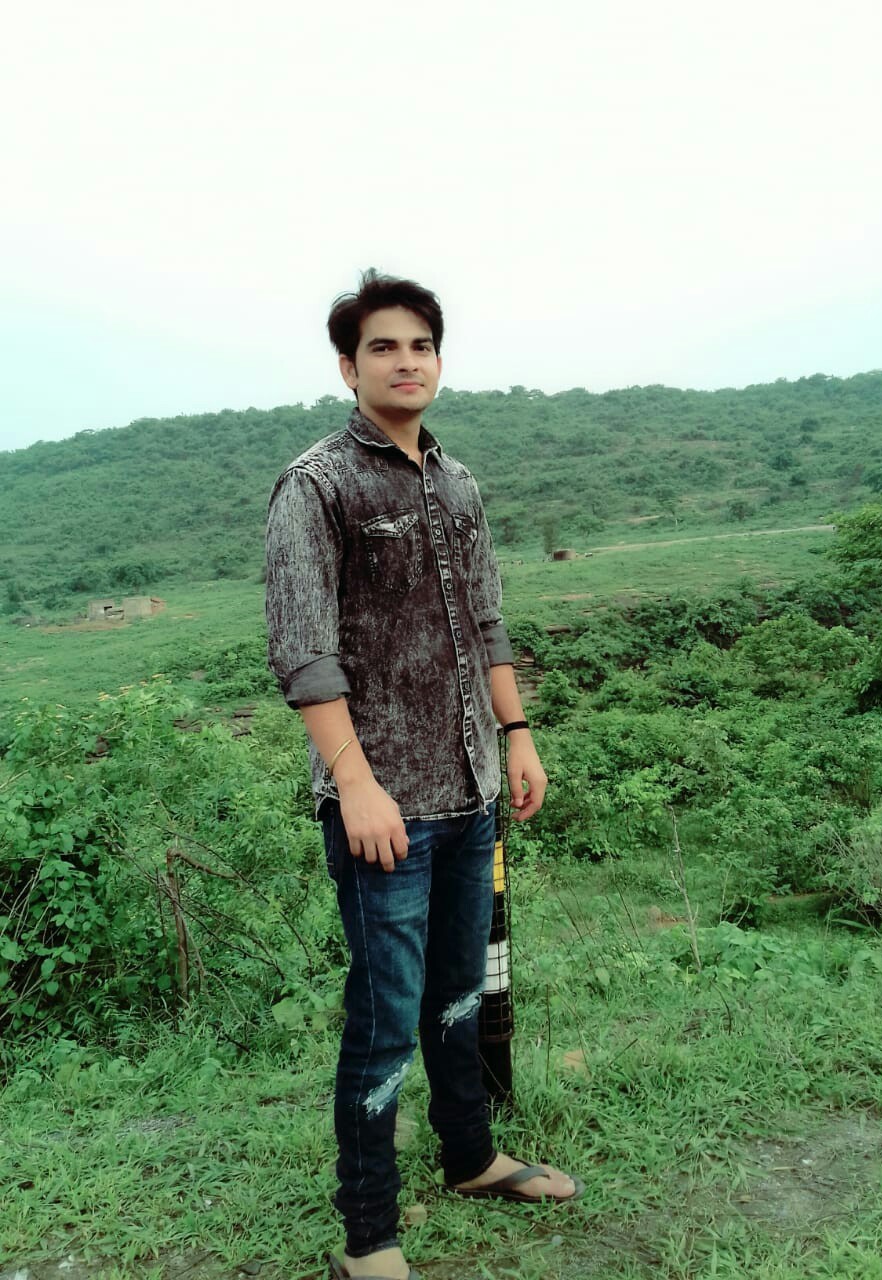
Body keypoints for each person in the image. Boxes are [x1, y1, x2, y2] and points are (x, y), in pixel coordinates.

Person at [265, 270, 581, 1280]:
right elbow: (304, 652)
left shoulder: (457, 483)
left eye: (421, 345)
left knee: (457, 992)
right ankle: (369, 1237)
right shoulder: (318, 485)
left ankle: (471, 1155)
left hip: (471, 789)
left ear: (438, 359)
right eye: (384, 347)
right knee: (382, 1017)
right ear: (348, 367)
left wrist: (516, 733)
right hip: (383, 808)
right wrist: (354, 782)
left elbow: (486, 619)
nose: (407, 362)